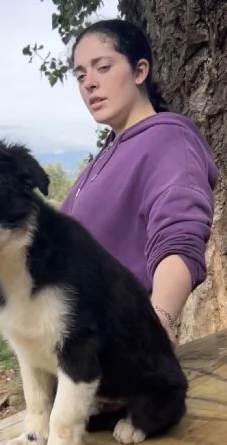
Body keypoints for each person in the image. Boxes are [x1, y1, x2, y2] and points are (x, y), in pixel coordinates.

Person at [60, 18, 219, 347]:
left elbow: (179, 232)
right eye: (80, 75)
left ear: (139, 71)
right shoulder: (100, 161)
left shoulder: (169, 138)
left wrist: (158, 317)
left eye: (102, 67)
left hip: (115, 353)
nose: (89, 83)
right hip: (65, 356)